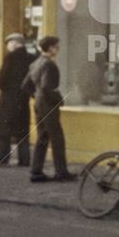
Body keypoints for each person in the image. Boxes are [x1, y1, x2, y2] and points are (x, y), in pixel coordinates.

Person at [23, 36, 74, 182]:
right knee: (57, 138)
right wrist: (59, 99)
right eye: (56, 46)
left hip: (39, 104)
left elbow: (26, 85)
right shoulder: (49, 65)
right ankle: (61, 172)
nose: (57, 49)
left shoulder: (35, 63)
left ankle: (36, 171)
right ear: (50, 48)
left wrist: (36, 96)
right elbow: (47, 87)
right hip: (49, 105)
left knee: (42, 138)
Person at [0, 33, 36, 166]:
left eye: (9, 44)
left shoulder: (10, 57)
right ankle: (24, 160)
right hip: (23, 99)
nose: (8, 47)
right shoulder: (31, 58)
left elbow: (1, 81)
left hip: (8, 99)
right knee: (22, 131)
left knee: (1, 130)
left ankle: (2, 158)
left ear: (15, 44)